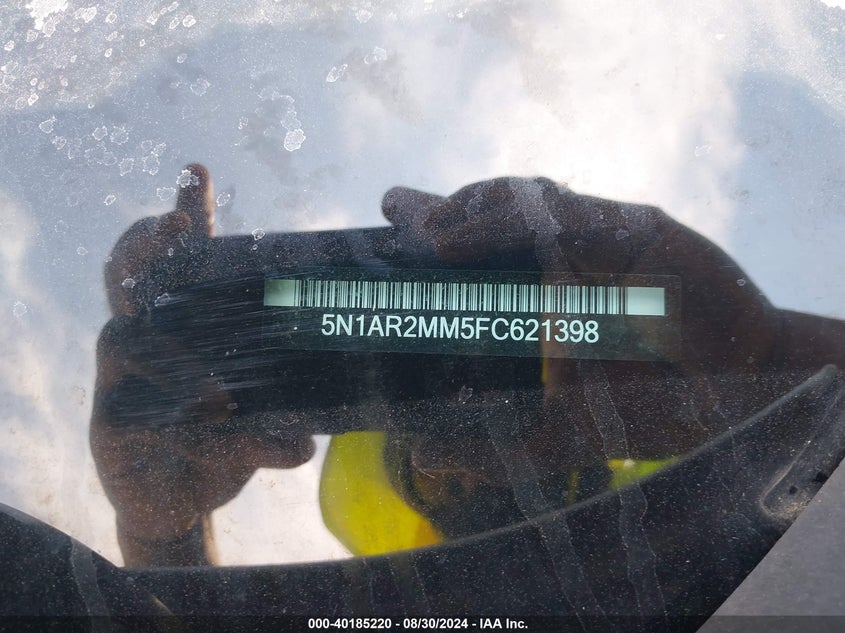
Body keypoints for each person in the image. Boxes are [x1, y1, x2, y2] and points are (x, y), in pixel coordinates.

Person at [90, 164, 845, 566]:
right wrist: (161, 535)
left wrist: (769, 358)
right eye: (438, 424)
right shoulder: (388, 603)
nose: (461, 466)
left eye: (476, 402)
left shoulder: (728, 523)